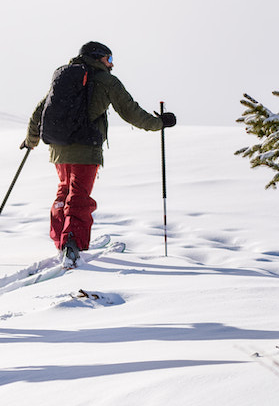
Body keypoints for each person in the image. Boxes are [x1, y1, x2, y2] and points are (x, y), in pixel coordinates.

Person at [22, 41, 176, 267]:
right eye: (109, 59)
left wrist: (30, 140)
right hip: (85, 148)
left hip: (58, 148)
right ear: (97, 58)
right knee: (79, 196)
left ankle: (61, 239)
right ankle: (71, 243)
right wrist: (159, 123)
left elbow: (40, 110)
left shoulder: (64, 77)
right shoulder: (106, 81)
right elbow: (131, 111)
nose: (112, 64)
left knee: (63, 193)